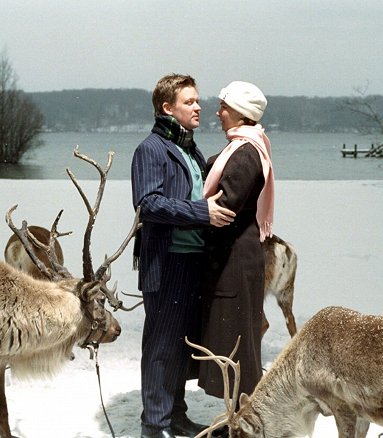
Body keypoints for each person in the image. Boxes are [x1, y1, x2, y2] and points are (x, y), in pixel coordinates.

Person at [131, 73, 236, 438]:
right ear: (167, 107)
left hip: (194, 261)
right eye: (189, 101)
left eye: (197, 100)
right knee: (162, 346)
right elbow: (148, 204)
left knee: (182, 346)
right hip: (167, 262)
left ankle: (175, 416)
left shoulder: (190, 149)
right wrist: (201, 212)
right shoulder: (151, 149)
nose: (198, 107)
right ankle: (154, 426)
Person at [198, 81, 275, 404]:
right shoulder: (243, 149)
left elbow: (225, 207)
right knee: (235, 339)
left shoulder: (244, 154)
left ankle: (242, 421)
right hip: (236, 257)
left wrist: (192, 209)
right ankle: (237, 418)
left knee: (236, 344)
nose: (218, 113)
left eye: (224, 107)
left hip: (235, 259)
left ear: (241, 113)